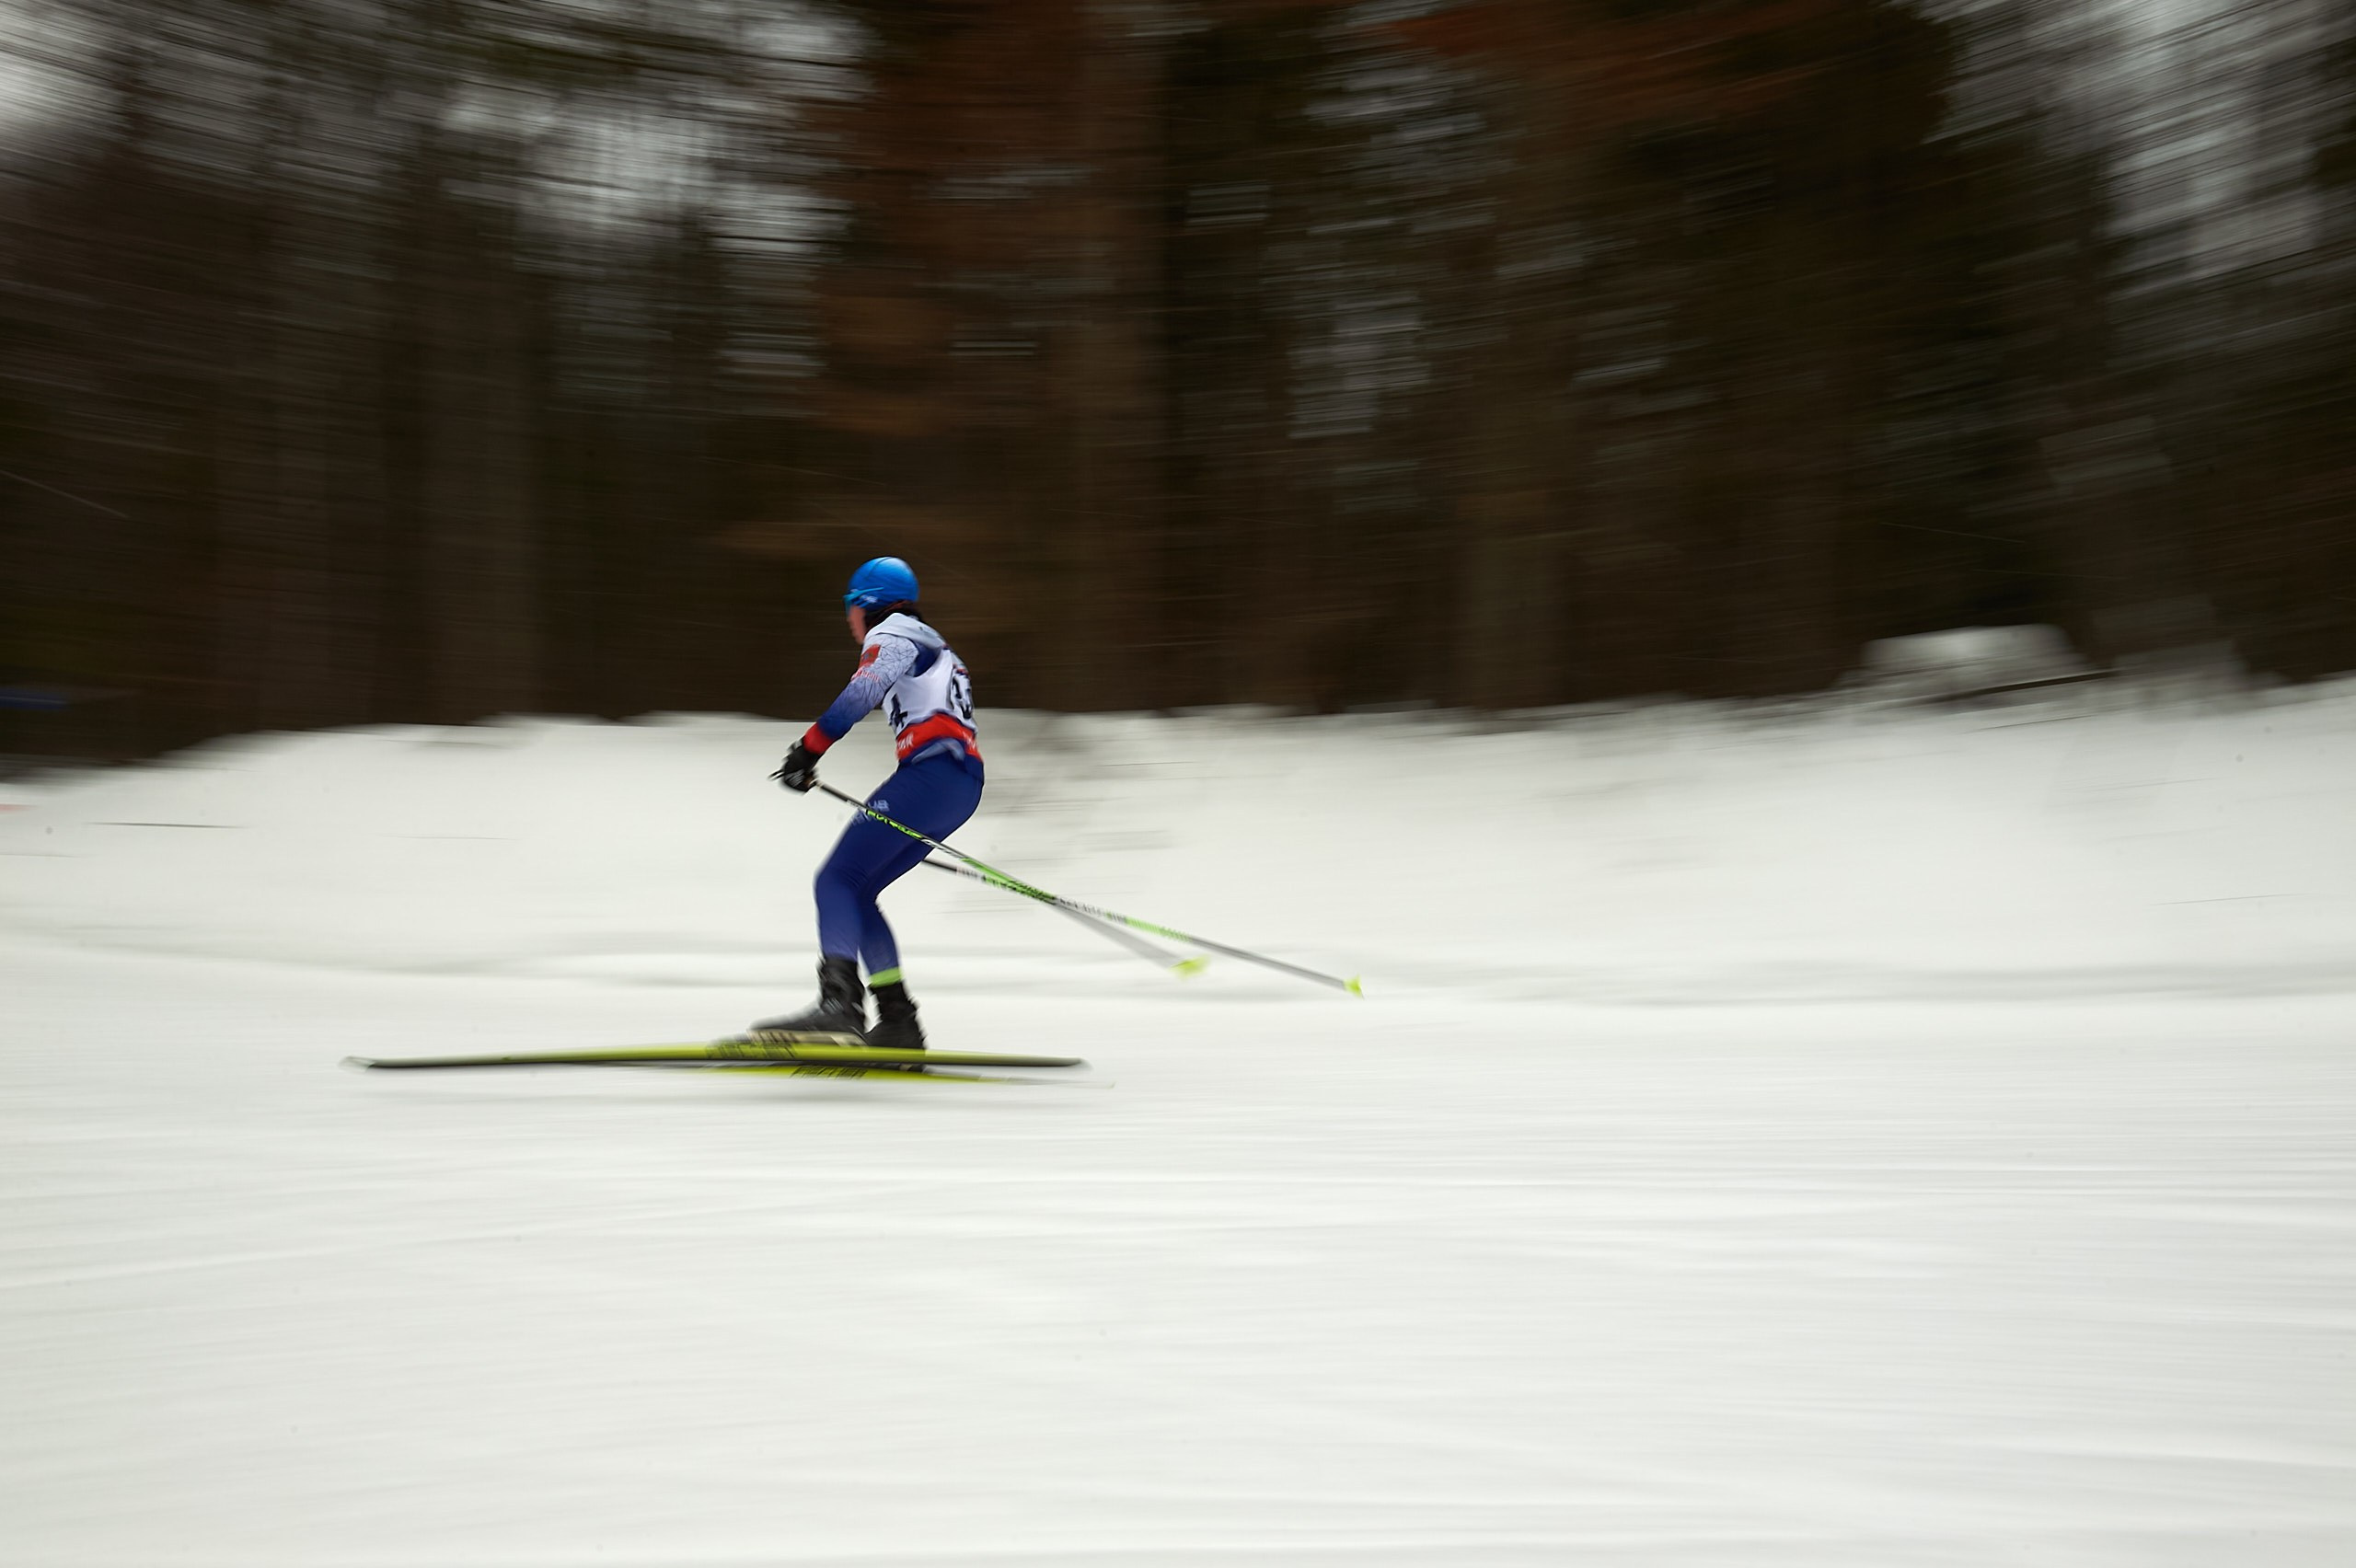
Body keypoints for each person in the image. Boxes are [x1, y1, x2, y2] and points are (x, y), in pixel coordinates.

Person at [752, 557, 982, 1049]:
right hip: (957, 785)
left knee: (834, 879)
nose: (849, 621)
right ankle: (898, 1019)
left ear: (867, 605)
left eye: (849, 608)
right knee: (856, 892)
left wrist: (808, 750)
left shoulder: (896, 632)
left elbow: (864, 691)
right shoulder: (933, 642)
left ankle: (839, 1005)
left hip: (931, 779)